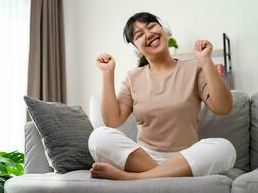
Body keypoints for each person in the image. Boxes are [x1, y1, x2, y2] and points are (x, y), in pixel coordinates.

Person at [88, 12, 236, 180]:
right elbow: (112, 121)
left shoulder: (194, 69)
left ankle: (134, 178)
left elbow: (224, 107)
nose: (149, 34)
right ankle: (167, 174)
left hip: (186, 157)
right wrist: (107, 73)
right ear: (135, 49)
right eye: (139, 35)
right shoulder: (132, 78)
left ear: (164, 29)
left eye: (151, 26)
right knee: (98, 137)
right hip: (144, 158)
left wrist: (206, 61)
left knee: (225, 148)